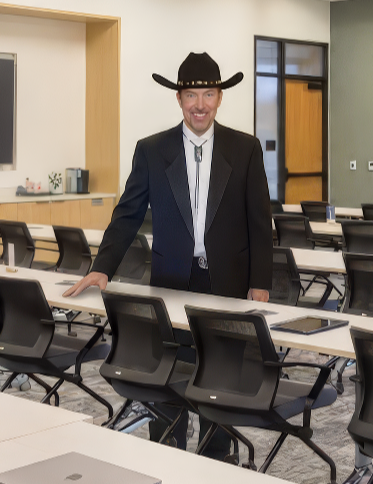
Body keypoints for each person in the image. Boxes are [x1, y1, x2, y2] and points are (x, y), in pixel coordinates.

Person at [64, 51, 272, 458]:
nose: (200, 104)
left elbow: (259, 223)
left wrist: (260, 283)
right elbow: (127, 214)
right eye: (192, 94)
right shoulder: (152, 150)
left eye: (208, 94)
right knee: (169, 376)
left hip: (227, 285)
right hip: (172, 281)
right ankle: (166, 453)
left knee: (220, 381)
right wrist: (102, 268)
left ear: (220, 98)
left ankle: (216, 459)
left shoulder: (245, 149)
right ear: (178, 99)